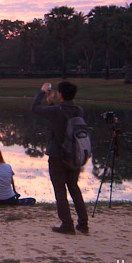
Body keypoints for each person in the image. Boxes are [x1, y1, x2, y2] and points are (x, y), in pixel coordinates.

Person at [32, 81, 89, 234]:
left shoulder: (57, 110)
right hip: (74, 155)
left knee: (60, 190)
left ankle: (67, 224)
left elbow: (35, 108)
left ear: (61, 95)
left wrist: (42, 92)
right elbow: (63, 118)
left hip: (57, 156)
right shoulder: (79, 110)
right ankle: (83, 223)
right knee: (74, 187)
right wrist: (51, 104)